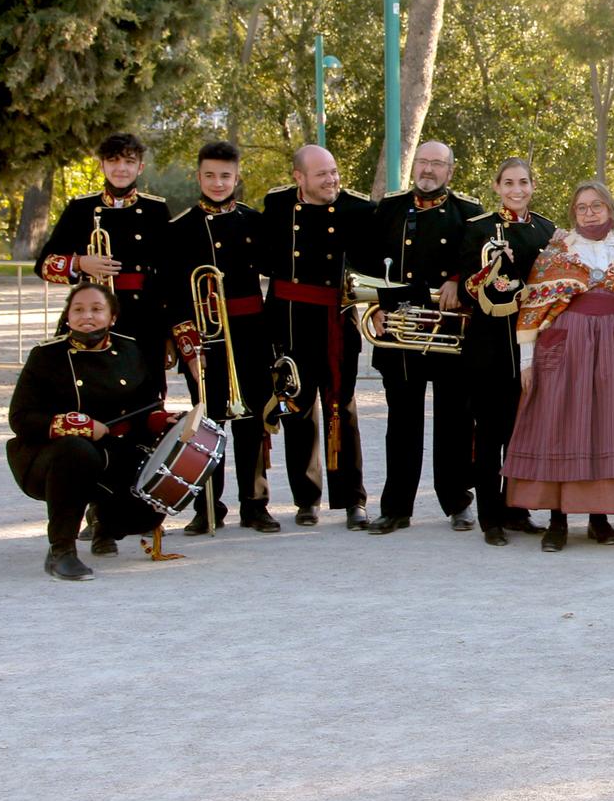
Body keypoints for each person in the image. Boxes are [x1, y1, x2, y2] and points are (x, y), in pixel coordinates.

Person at [503, 182, 614, 551]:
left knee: (605, 428)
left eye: (597, 205)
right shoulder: (556, 253)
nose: (589, 213)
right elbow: (532, 310)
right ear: (573, 213)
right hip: (565, 350)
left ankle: (599, 518)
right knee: (562, 428)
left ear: (611, 209)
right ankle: (558, 520)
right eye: (582, 207)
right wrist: (528, 362)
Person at [357, 140, 483, 534]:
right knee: (402, 423)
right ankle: (396, 508)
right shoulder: (390, 208)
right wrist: (375, 308)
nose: (428, 169)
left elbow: (479, 260)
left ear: (450, 170)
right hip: (400, 329)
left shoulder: (470, 212)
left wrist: (458, 281)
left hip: (448, 331)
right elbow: (370, 266)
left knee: (455, 422)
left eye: (437, 164)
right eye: (423, 162)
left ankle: (457, 502)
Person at [8, 284, 171, 580]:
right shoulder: (46, 356)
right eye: (78, 310)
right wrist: (80, 426)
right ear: (68, 317)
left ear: (112, 317)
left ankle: (104, 521)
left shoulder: (130, 350)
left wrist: (166, 423)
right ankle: (61, 551)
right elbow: (21, 418)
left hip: (113, 454)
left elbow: (147, 408)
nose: (87, 316)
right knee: (76, 451)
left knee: (145, 513)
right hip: (50, 458)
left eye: (97, 309)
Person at [260, 145, 376, 529]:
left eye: (334, 172)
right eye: (322, 174)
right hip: (289, 318)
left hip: (335, 319)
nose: (332, 180)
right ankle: (306, 498)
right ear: (299, 178)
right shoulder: (276, 205)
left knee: (342, 408)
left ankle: (352, 500)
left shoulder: (358, 210)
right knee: (295, 406)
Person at [167, 139, 275, 534]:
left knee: (251, 422)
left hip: (250, 335)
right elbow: (173, 295)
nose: (217, 183)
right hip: (206, 340)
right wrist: (189, 348)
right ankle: (207, 507)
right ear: (198, 176)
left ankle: (256, 505)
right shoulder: (179, 228)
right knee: (207, 425)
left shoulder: (253, 221)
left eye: (225, 176)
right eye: (210, 175)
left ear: (237, 177)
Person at [460, 158, 557, 545]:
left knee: (523, 433)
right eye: (509, 183)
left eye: (524, 182)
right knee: (489, 435)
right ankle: (490, 518)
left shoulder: (548, 230)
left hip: (533, 346)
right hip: (490, 345)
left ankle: (516, 509)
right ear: (497, 187)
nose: (517, 189)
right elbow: (468, 285)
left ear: (533, 185)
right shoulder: (479, 229)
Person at [33, 132, 173, 368]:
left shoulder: (155, 209)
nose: (121, 169)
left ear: (140, 167)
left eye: (129, 162)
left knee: (145, 392)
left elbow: (170, 275)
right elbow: (44, 265)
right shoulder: (81, 208)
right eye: (113, 161)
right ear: (101, 165)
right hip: (92, 314)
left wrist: (169, 333)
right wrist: (80, 263)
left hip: (144, 317)